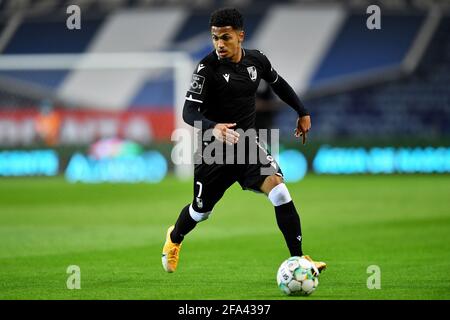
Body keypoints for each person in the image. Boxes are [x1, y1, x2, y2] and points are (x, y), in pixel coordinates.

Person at [162, 8, 326, 274]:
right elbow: (188, 112)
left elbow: (278, 83)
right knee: (200, 211)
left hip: (248, 145)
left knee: (280, 190)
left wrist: (302, 111)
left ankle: (299, 260)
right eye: (215, 38)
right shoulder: (206, 69)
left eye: (225, 37)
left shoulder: (256, 61)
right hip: (213, 152)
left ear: (240, 36)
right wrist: (213, 128)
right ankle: (175, 237)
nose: (219, 44)